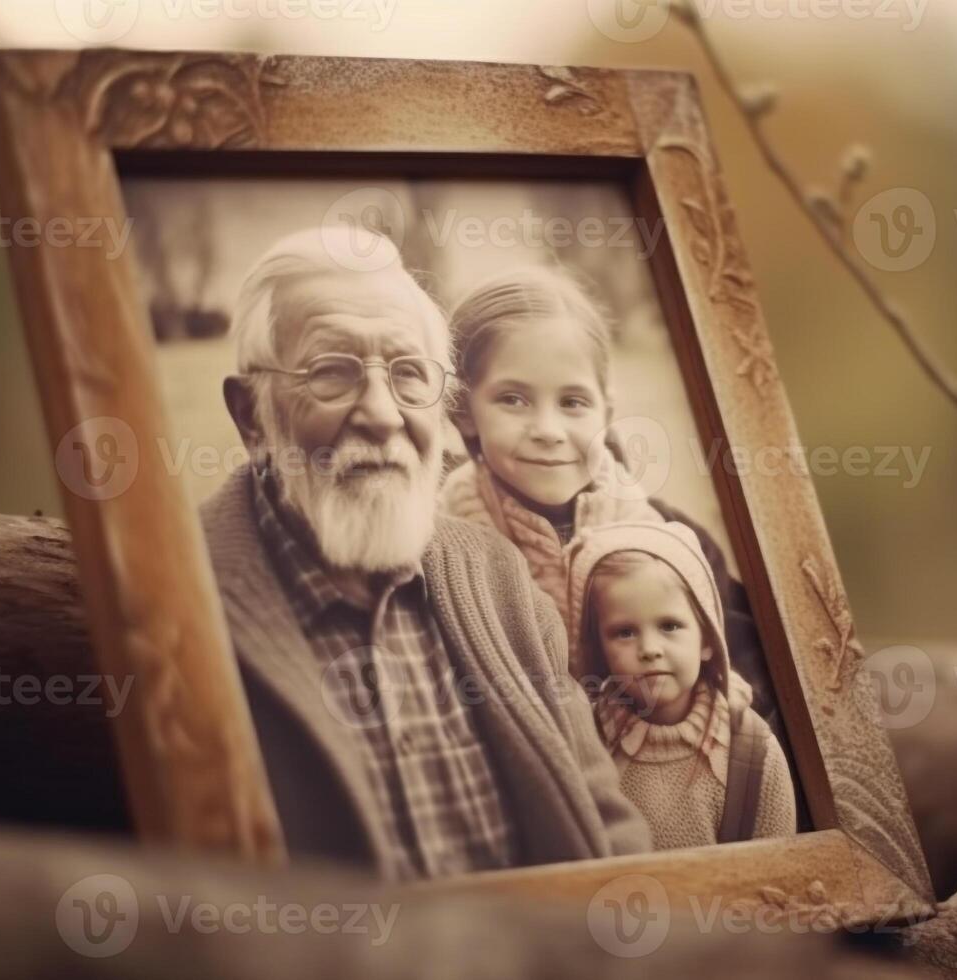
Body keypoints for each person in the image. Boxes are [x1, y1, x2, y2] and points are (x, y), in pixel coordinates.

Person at [202, 226, 649, 881]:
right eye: (331, 373)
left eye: (409, 376)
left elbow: (605, 827)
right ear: (250, 416)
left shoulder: (498, 579)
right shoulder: (183, 595)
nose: (383, 414)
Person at [436, 264, 779, 731]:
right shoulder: (440, 555)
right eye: (513, 399)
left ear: (606, 410)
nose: (549, 432)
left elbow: (753, 687)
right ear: (464, 411)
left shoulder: (674, 545)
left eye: (572, 402)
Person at [568, 521, 796, 850]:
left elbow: (782, 876)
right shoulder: (584, 745)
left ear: (707, 639)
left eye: (670, 625)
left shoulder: (752, 751)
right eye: (624, 632)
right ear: (600, 650)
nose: (649, 649)